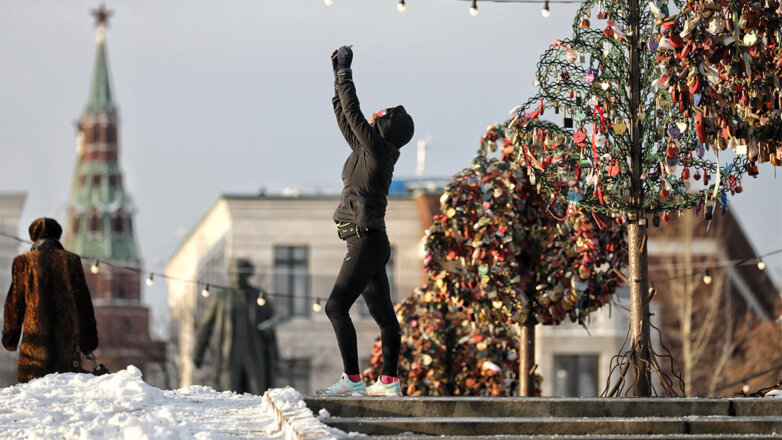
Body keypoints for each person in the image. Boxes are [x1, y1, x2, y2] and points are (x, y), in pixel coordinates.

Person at [317, 45, 414, 397]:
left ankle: (353, 381)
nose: (373, 117)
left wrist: (346, 72)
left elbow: (355, 112)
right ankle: (389, 382)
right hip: (369, 239)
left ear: (383, 128)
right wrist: (335, 78)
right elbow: (346, 118)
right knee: (384, 316)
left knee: (335, 306)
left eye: (379, 117)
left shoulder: (375, 151)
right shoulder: (369, 150)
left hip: (365, 238)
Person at [2, 217, 99, 383]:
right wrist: (88, 342)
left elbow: (14, 305)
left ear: (33, 238)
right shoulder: (71, 261)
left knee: (34, 398)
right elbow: (83, 305)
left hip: (34, 349)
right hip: (66, 346)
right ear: (57, 237)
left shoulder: (23, 262)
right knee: (63, 397)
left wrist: (10, 338)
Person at [192, 258, 278, 394]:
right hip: (229, 354)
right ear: (230, 274)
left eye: (241, 274)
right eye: (235, 273)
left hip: (254, 353)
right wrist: (198, 353)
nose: (238, 277)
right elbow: (206, 325)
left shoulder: (258, 296)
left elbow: (271, 327)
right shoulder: (221, 297)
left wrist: (274, 356)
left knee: (258, 394)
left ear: (247, 275)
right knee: (229, 394)